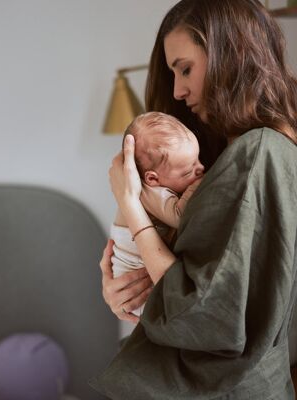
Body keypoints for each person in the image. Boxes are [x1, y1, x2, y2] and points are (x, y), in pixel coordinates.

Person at [90, 0, 297, 398]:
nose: (178, 90)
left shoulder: (257, 155)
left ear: (231, 54)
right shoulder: (234, 153)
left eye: (185, 68)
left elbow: (203, 315)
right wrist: (122, 290)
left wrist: (132, 206)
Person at [111, 111, 204, 316]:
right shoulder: (149, 192)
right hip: (134, 281)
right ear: (152, 178)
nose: (201, 168)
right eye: (188, 172)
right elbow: (180, 217)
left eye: (198, 160)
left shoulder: (154, 183)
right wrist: (198, 184)